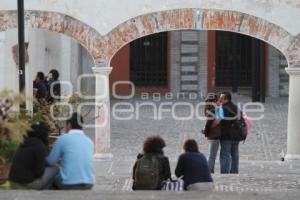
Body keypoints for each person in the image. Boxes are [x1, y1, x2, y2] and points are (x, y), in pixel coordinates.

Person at [47, 112, 95, 190]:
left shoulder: (63, 139)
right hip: (89, 182)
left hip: (68, 183)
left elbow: (50, 161)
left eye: (65, 125)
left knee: (51, 176)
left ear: (69, 125)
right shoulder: (89, 141)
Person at [8, 122, 59, 190]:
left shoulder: (22, 143)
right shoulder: (39, 146)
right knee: (55, 169)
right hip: (28, 183)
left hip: (12, 181)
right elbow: (39, 173)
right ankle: (42, 193)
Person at [218, 92, 240, 174]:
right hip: (237, 135)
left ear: (226, 99)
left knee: (225, 155)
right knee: (235, 154)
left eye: (221, 98)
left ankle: (224, 172)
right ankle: (234, 172)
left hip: (226, 136)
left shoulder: (222, 108)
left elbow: (218, 121)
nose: (219, 100)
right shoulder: (236, 107)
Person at [202, 93, 223, 173]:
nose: (219, 102)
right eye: (218, 100)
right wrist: (206, 131)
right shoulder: (215, 110)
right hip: (215, 135)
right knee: (212, 156)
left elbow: (209, 122)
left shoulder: (208, 109)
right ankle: (209, 172)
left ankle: (211, 171)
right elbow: (213, 123)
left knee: (211, 155)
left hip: (212, 135)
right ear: (214, 101)